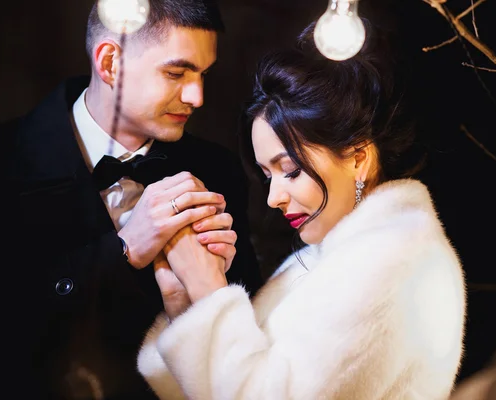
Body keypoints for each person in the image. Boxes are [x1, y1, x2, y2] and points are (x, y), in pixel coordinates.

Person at [0, 1, 262, 398]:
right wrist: (124, 250)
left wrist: (212, 290)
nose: (197, 95)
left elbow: (244, 349)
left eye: (203, 74)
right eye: (176, 72)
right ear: (109, 63)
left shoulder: (216, 169)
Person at [137, 21, 467, 399]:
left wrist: (210, 292)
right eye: (267, 176)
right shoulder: (337, 257)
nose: (273, 197)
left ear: (359, 158)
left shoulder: (395, 260)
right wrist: (185, 307)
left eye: (290, 171)